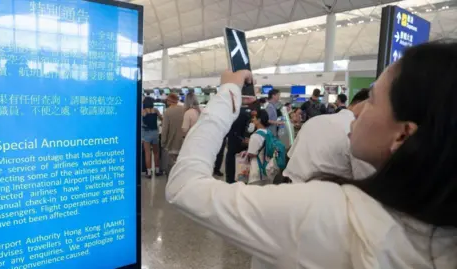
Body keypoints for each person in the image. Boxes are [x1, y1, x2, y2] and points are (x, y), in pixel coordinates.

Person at [167, 42, 457, 269]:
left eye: (372, 99)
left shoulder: (329, 215)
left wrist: (227, 94)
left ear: (403, 135)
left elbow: (185, 188)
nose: (356, 109)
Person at [284, 89, 374, 182]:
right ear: (365, 104)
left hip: (292, 188)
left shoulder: (313, 121)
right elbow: (366, 181)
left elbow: (290, 156)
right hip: (328, 193)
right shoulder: (359, 132)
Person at [161, 93, 185, 174]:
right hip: (183, 142)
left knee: (171, 166)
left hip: (172, 143)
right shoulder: (183, 109)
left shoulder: (167, 112)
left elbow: (165, 129)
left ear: (169, 101)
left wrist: (163, 142)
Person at [246, 109, 271, 184]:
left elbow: (252, 153)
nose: (252, 120)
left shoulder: (255, 136)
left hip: (257, 172)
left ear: (259, 120)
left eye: (254, 118)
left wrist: (246, 152)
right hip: (268, 169)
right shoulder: (268, 132)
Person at [142, 97, 163, 178]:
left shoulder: (143, 112)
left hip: (146, 134)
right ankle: (157, 171)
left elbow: (141, 123)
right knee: (156, 153)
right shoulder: (156, 110)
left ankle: (149, 172)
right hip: (155, 133)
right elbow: (162, 119)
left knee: (147, 153)